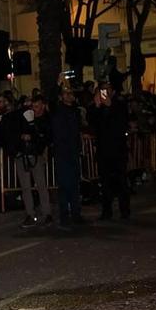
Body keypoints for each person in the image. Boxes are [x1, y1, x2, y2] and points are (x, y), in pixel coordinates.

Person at [0, 95, 51, 226]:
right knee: (26, 187)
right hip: (23, 154)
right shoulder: (19, 117)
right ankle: (31, 213)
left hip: (33, 154)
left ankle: (46, 213)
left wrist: (32, 137)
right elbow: (10, 135)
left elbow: (43, 137)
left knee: (41, 185)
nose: (34, 109)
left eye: (37, 106)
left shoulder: (41, 119)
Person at [90, 86, 132, 221]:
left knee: (121, 182)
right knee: (105, 183)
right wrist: (97, 106)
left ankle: (124, 211)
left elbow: (123, 122)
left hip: (118, 150)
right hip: (104, 151)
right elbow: (92, 123)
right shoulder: (96, 109)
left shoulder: (119, 105)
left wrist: (111, 106)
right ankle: (106, 211)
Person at [49, 85, 84, 227]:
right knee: (64, 185)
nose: (69, 95)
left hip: (73, 152)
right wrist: (56, 85)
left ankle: (76, 213)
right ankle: (65, 215)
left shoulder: (75, 111)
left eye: (71, 93)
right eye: (66, 93)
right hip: (62, 152)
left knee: (74, 184)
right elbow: (51, 102)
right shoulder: (58, 110)